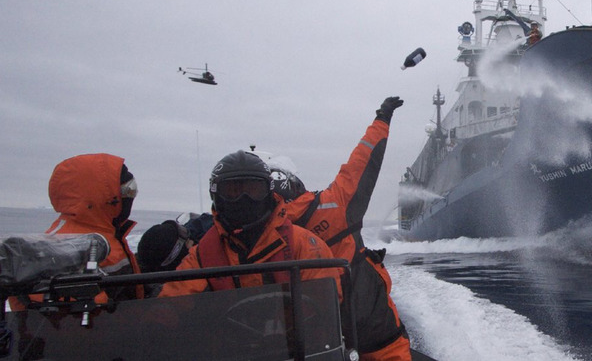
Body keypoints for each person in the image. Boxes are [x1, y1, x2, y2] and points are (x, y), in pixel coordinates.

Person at [272, 96, 411, 361]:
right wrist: (382, 117)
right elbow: (363, 159)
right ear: (296, 186)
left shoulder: (261, 232)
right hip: (369, 322)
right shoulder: (335, 205)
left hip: (301, 334)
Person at [157, 151, 341, 298]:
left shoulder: (305, 247)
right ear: (216, 196)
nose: (243, 200)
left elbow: (324, 309)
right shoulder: (203, 256)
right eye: (232, 192)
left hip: (291, 343)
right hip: (227, 343)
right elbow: (169, 310)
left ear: (269, 193)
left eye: (253, 190)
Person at [9, 153, 143, 310]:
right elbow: (47, 319)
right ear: (104, 197)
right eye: (127, 190)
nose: (131, 197)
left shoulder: (108, 234)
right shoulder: (62, 248)